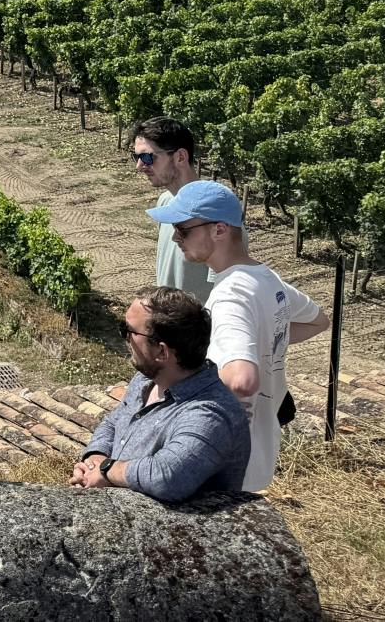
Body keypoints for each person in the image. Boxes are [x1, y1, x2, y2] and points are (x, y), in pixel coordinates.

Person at [150, 180, 329, 491]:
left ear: (219, 230)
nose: (175, 237)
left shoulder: (230, 296)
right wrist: (264, 340)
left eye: (183, 229)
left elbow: (241, 380)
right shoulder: (266, 279)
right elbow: (318, 321)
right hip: (258, 448)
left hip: (223, 458)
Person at [70, 286, 251, 503]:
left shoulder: (210, 414)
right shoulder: (146, 380)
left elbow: (167, 476)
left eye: (128, 331)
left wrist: (108, 469)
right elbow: (114, 422)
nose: (125, 338)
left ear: (162, 352)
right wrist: (95, 459)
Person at [132, 118, 210, 300]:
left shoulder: (212, 212)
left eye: (147, 157)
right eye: (136, 157)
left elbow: (228, 284)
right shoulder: (165, 202)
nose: (139, 166)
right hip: (168, 323)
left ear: (180, 157)